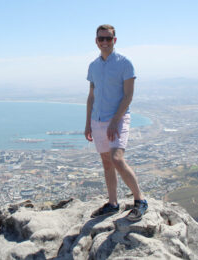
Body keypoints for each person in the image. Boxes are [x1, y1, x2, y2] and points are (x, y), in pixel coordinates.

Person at [85, 24, 148, 221]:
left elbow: (128, 96)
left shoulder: (125, 63)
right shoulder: (93, 66)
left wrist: (115, 121)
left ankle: (140, 200)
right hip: (98, 119)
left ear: (115, 40)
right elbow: (91, 97)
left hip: (118, 118)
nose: (104, 42)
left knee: (117, 159)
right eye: (101, 39)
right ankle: (113, 204)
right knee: (106, 162)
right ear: (96, 41)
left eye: (108, 38)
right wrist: (88, 123)